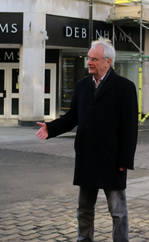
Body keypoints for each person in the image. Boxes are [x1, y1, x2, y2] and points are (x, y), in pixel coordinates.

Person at [36, 37, 138, 242]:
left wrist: (125, 160)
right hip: (87, 158)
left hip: (112, 160)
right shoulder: (82, 86)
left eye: (94, 59)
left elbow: (130, 128)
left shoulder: (125, 87)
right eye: (88, 58)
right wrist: (51, 127)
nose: (89, 62)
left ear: (108, 62)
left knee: (118, 211)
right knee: (84, 209)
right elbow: (73, 117)